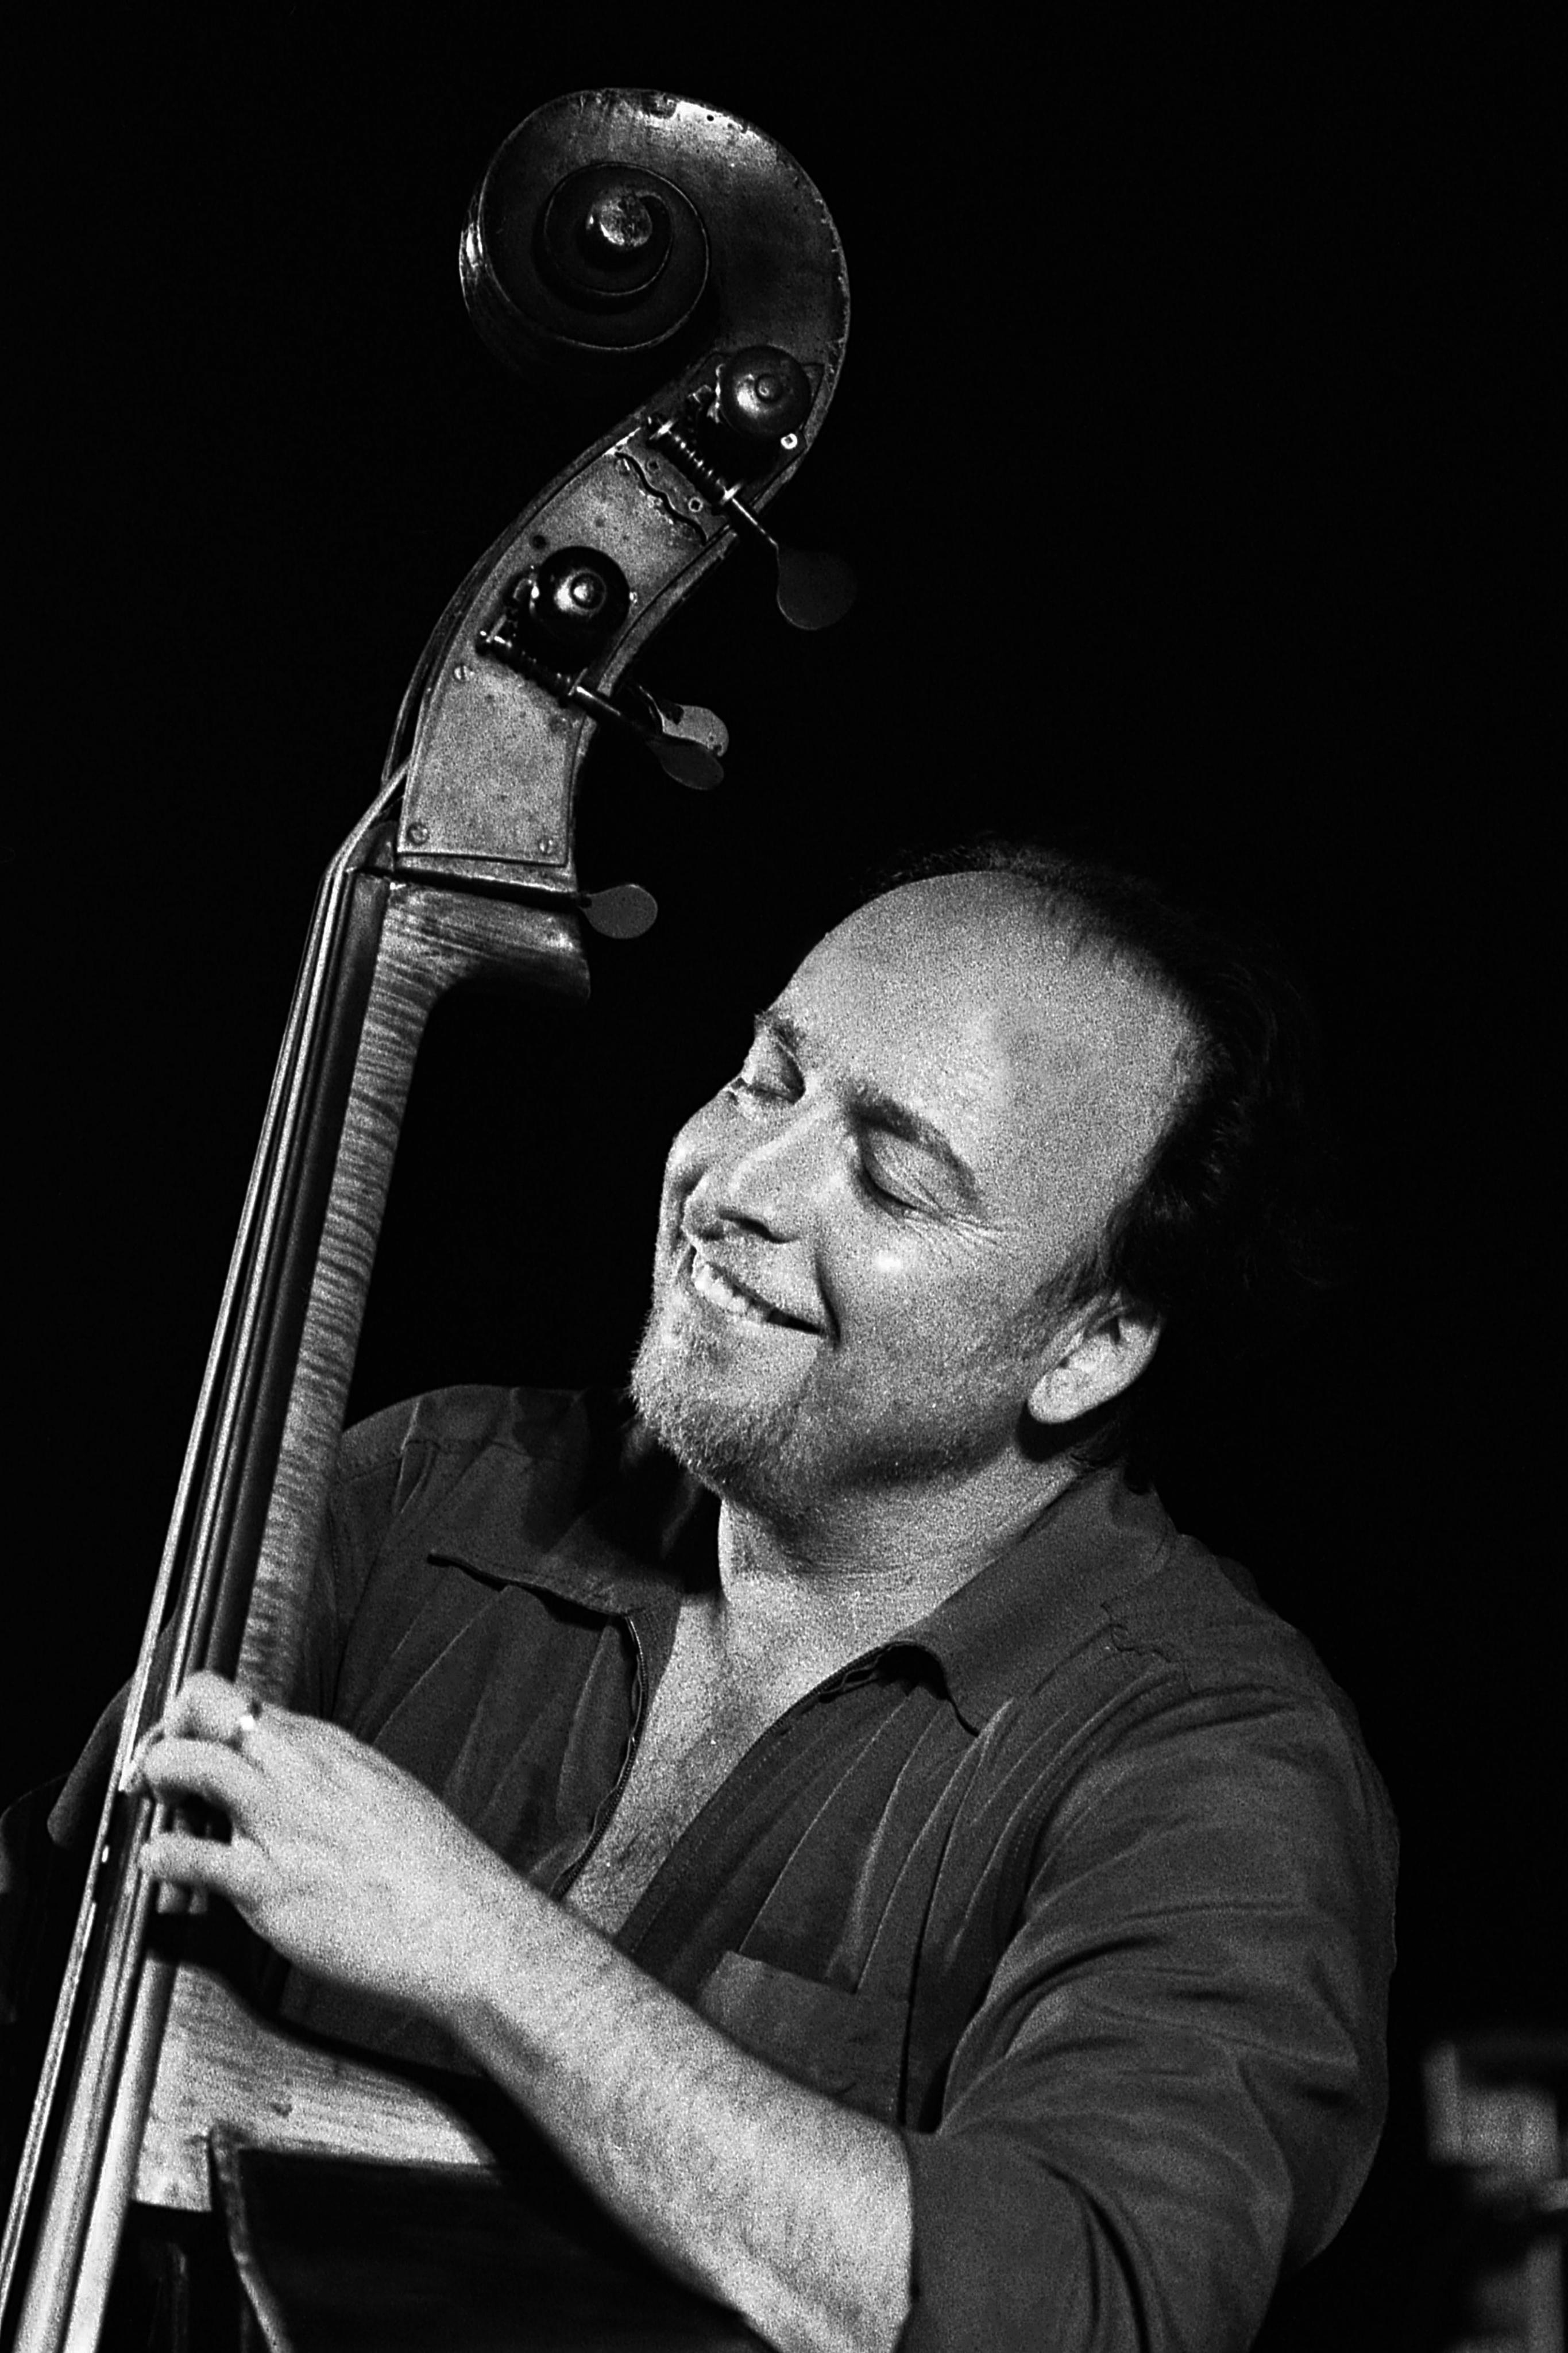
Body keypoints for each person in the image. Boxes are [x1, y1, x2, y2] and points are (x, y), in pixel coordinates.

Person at [76, 846, 1401, 2348]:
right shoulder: (420, 1496)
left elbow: (1089, 2307)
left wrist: (481, 1947)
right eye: (767, 1081)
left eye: (893, 1176)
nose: (735, 1188)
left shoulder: (1210, 1768)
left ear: (1089, 1345)